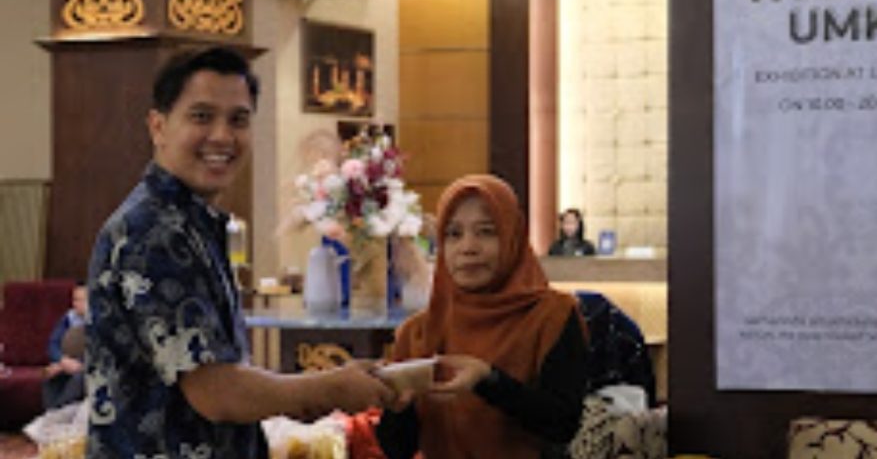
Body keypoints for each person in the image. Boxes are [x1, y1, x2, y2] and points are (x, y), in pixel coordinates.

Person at [86, 47, 396, 459]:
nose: (222, 136)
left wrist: (308, 392)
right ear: (158, 126)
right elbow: (216, 392)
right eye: (201, 117)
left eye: (238, 120)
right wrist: (328, 388)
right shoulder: (153, 231)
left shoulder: (190, 223)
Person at [376, 174, 588, 459]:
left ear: (513, 237)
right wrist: (398, 407)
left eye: (486, 232)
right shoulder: (418, 331)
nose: (468, 247)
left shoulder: (553, 315)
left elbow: (563, 425)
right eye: (454, 234)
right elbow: (396, 449)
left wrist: (489, 380)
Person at [41, 283, 87, 410]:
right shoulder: (68, 318)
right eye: (75, 300)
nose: (76, 304)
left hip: (87, 367)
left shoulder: (101, 321)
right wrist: (61, 360)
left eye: (81, 300)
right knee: (50, 376)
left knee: (79, 379)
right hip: (67, 362)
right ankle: (50, 413)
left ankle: (56, 413)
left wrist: (75, 364)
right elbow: (53, 344)